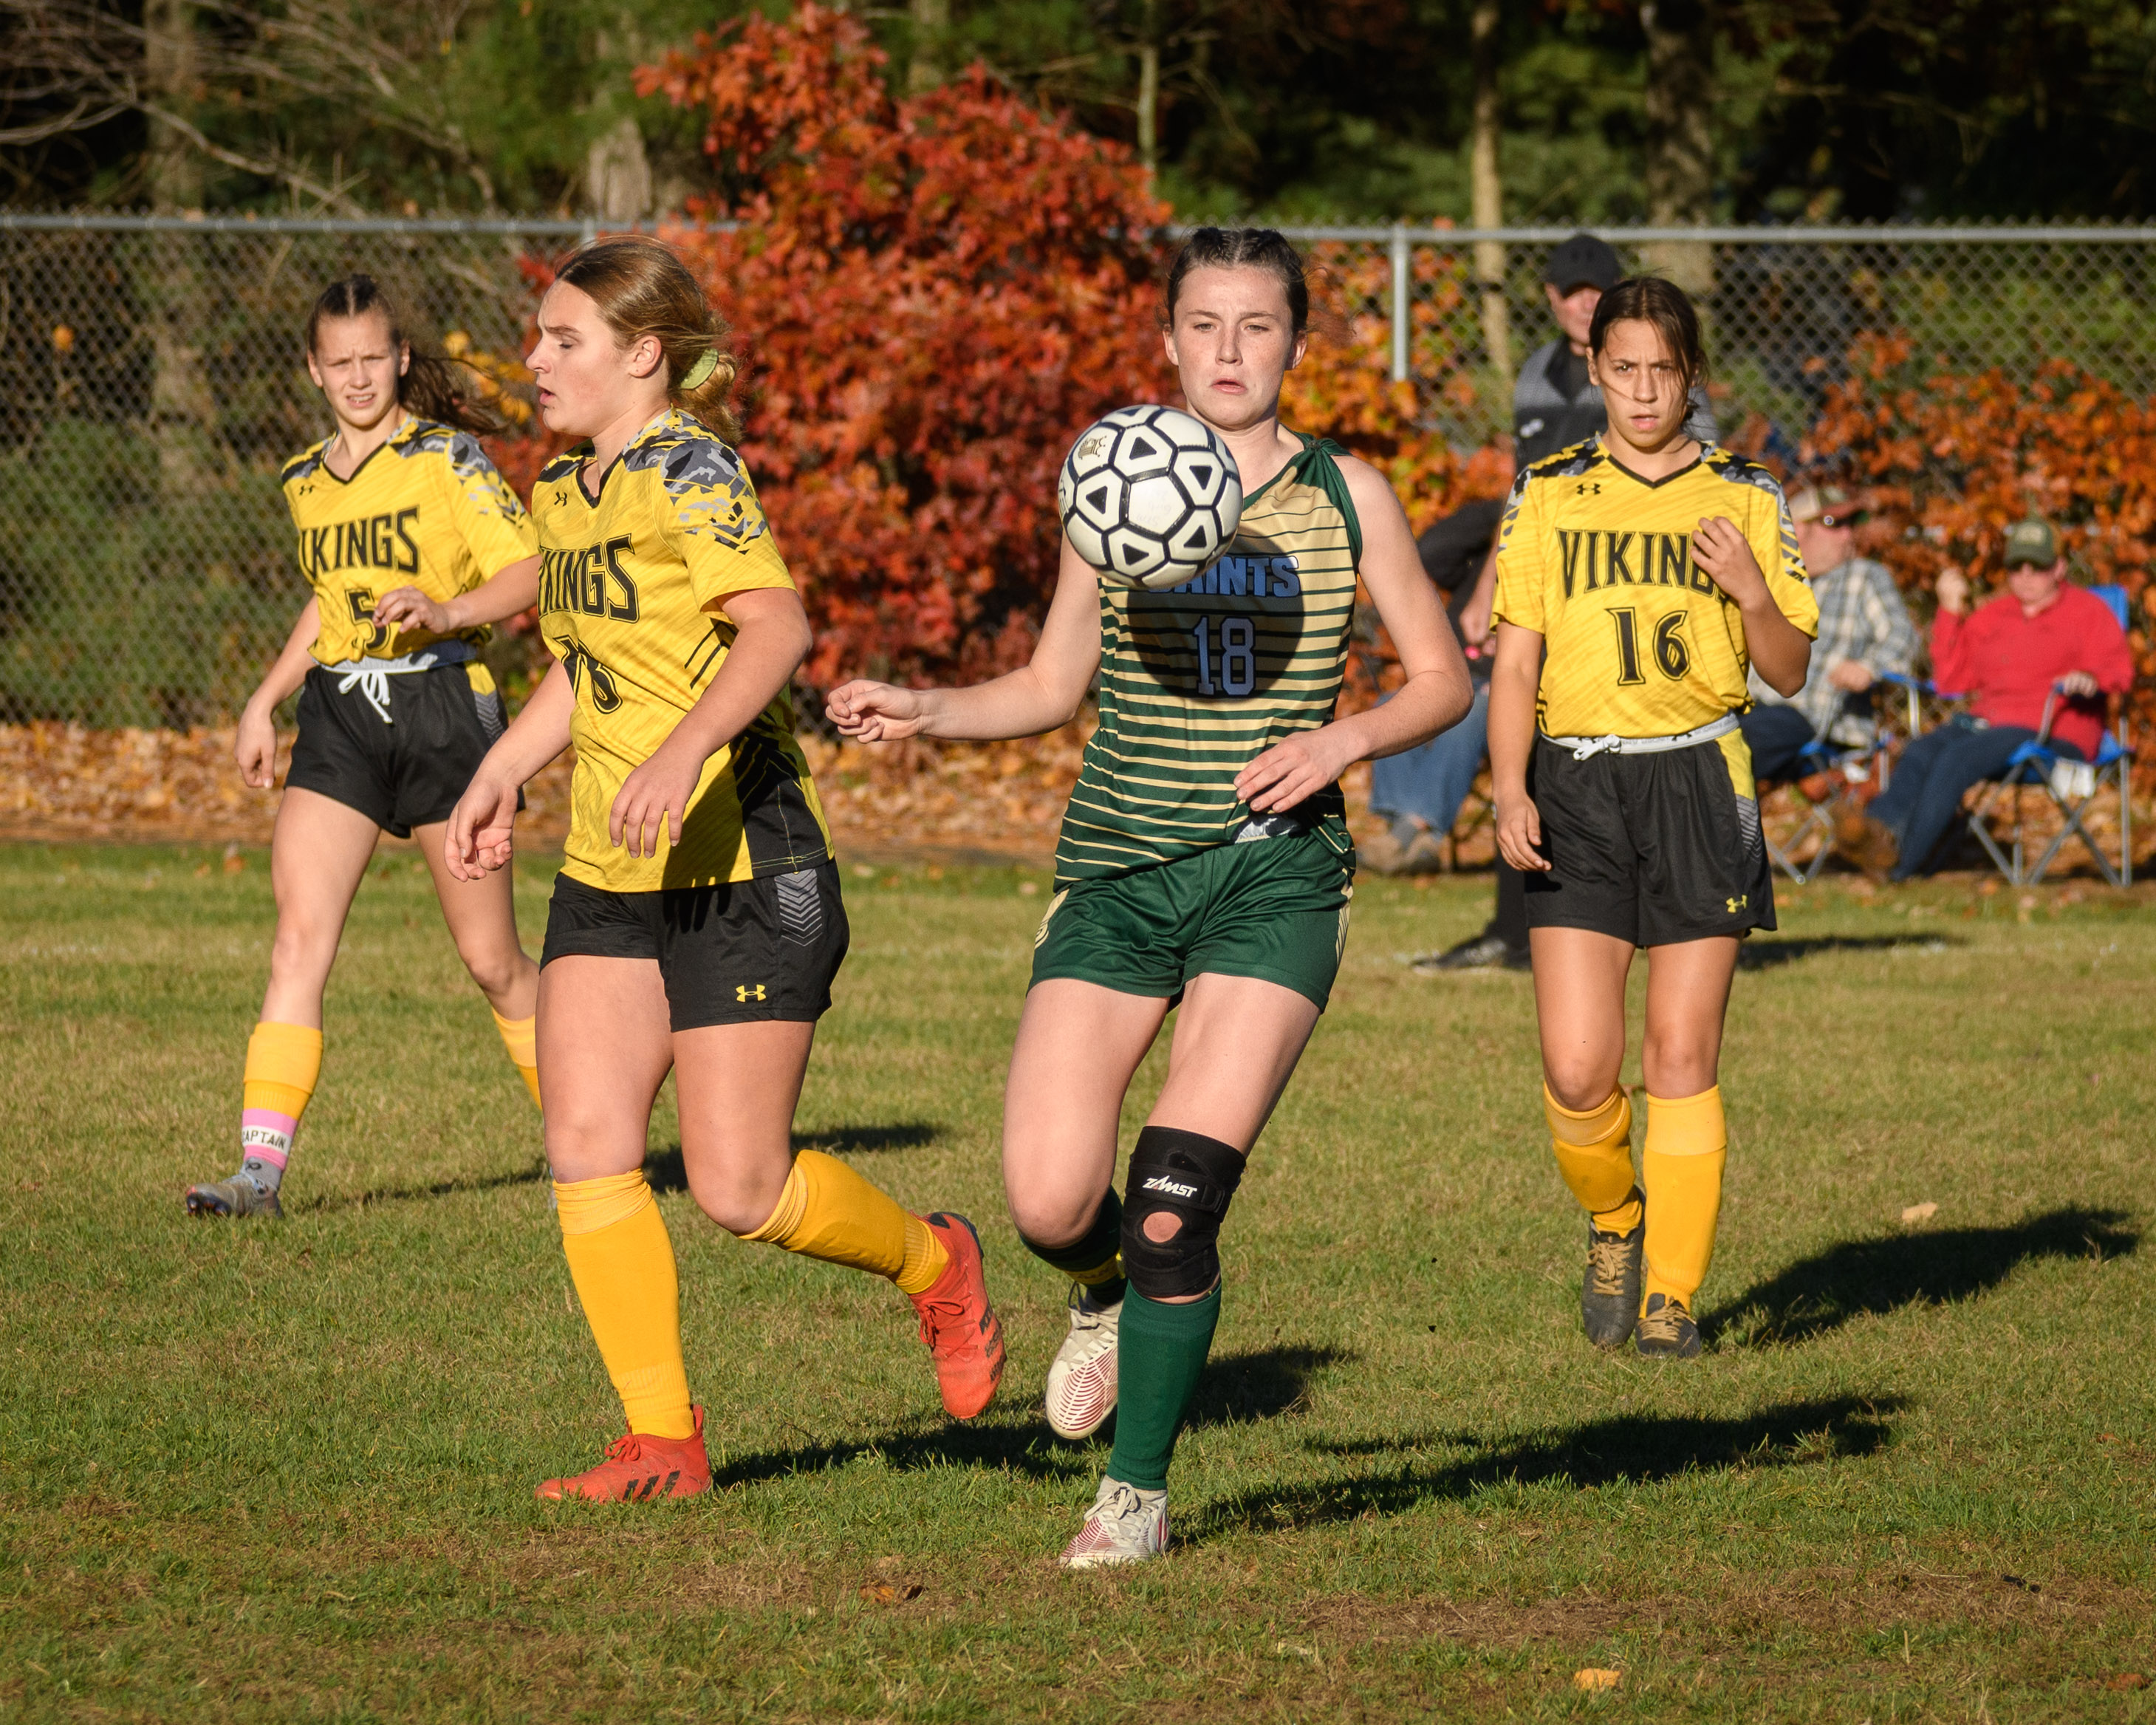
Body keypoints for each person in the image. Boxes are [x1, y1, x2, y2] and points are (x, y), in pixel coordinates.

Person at [827, 227, 1471, 1565]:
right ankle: (1101, 1294)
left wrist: (1339, 742)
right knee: (1051, 1202)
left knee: (1174, 1189)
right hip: (1117, 877)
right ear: (1166, 338)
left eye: (1255, 325)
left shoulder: (1347, 493)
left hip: (1270, 881)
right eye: (1202, 323)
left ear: (1295, 342)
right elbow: (1051, 686)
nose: (1228, 350)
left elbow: (1439, 678)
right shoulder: (1115, 475)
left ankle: (1131, 1500)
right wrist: (927, 707)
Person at [444, 236, 1002, 1503]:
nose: (534, 360)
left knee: (737, 1188)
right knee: (584, 1139)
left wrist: (683, 749)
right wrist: (503, 770)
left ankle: (935, 1263)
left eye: (563, 340)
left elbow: (776, 625)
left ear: (643, 357)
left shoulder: (694, 472)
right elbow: (589, 673)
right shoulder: (564, 493)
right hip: (611, 866)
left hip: (746, 857)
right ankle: (663, 1443)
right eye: (536, 336)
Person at [1488, 276, 1816, 1361]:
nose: (1640, 390)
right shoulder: (1545, 493)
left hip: (1694, 782)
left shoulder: (1744, 496)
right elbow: (1516, 657)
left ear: (1689, 377)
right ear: (1593, 369)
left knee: (1680, 1049)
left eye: (1660, 372)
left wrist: (1750, 590)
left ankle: (1672, 1296)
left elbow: (1787, 673)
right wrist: (1505, 783)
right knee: (1580, 1066)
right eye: (1621, 368)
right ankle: (1614, 1219)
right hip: (1575, 783)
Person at [184, 275, 546, 1220]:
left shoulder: (447, 459)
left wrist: (448, 611)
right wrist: (265, 698)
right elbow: (330, 602)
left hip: (441, 712)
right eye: (336, 362)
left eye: (370, 359)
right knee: (298, 940)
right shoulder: (306, 479)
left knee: (493, 962)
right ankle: (259, 1176)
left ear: (399, 359)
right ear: (314, 369)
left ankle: (586, 1136)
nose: (355, 378)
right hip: (341, 715)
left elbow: (532, 567)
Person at [1424, 232, 1719, 971]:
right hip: (1548, 584)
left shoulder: (1646, 373)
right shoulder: (1535, 376)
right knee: (1516, 733)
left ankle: (1670, 921)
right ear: (1553, 300)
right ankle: (1512, 927)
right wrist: (1488, 586)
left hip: (1633, 598)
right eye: (1573, 291)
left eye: (1599, 290)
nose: (1585, 302)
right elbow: (1529, 491)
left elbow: (1699, 477)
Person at [1836, 517, 2132, 881]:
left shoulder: (2089, 612)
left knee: (1955, 761)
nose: (2025, 575)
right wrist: (1949, 611)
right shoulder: (1993, 615)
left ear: (2059, 567)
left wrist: (2089, 678)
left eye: (2037, 566)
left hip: (2051, 732)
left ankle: (1898, 867)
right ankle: (1874, 833)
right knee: (1921, 751)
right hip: (1987, 724)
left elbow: (2119, 672)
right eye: (2016, 566)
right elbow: (1950, 683)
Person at [1362, 497, 1504, 874]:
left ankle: (1406, 834)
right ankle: (1414, 840)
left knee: (1470, 713)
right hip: (1453, 677)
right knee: (1391, 704)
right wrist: (1501, 513)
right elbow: (1431, 552)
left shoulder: (1549, 564)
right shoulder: (1479, 562)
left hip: (1503, 693)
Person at [1738, 483, 1914, 783]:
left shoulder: (1863, 577)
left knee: (1723, 753)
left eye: (1851, 524)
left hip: (1808, 715)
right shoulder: (1767, 581)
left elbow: (1903, 638)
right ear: (1795, 530)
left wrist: (1867, 667)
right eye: (1833, 523)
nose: (1848, 535)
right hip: (1747, 705)